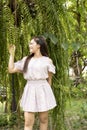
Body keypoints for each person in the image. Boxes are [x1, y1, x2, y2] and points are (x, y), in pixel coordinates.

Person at [8, 36, 57, 130]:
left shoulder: (47, 61)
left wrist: (47, 95)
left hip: (43, 90)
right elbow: (11, 69)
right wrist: (12, 54)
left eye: (31, 43)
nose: (29, 45)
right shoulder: (26, 59)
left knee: (44, 120)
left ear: (38, 45)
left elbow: (49, 80)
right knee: (28, 122)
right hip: (30, 89)